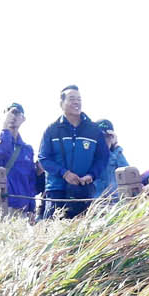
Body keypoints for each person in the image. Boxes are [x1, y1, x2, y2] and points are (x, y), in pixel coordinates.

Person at [37, 85, 110, 219]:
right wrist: (64, 173)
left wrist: (91, 175)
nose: (76, 102)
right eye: (72, 99)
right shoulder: (52, 129)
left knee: (84, 233)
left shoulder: (93, 130)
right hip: (57, 190)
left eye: (79, 99)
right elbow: (43, 158)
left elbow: (103, 157)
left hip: (84, 189)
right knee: (53, 230)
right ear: (61, 103)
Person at [0, 102, 36, 217]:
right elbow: (1, 153)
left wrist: (32, 208)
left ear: (23, 118)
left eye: (16, 113)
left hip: (21, 208)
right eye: (9, 112)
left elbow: (30, 182)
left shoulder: (27, 149)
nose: (12, 116)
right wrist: (5, 127)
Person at [94, 119, 129, 200]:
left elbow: (128, 173)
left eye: (108, 137)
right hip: (94, 205)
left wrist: (116, 147)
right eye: (100, 136)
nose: (104, 140)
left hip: (114, 205)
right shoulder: (88, 157)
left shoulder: (117, 155)